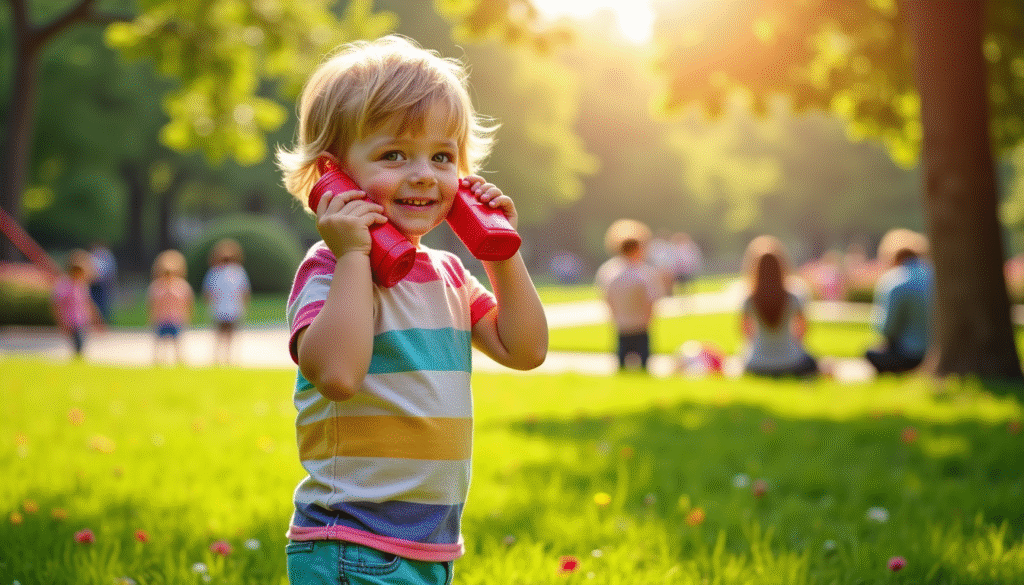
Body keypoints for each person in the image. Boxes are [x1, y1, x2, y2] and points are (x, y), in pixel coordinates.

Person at [275, 35, 548, 585]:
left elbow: (526, 348)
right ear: (335, 175)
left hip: (431, 547)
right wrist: (356, 254)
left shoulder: (446, 274)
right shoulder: (329, 269)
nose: (425, 174)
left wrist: (502, 251)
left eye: (442, 156)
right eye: (394, 154)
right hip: (350, 542)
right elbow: (338, 374)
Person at [740, 235, 818, 378]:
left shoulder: (749, 300)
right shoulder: (793, 298)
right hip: (790, 362)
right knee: (812, 361)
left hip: (756, 363)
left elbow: (745, 332)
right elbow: (803, 330)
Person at [595, 219, 665, 371]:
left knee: (622, 364)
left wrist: (615, 316)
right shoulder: (645, 273)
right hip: (640, 324)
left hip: (622, 324)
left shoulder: (609, 271)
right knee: (644, 364)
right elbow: (651, 300)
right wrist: (649, 319)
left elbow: (607, 298)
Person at [865, 228, 933, 374]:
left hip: (910, 355)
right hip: (934, 352)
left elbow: (887, 330)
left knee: (871, 352)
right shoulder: (933, 275)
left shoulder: (895, 281)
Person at [201, 238, 250, 365]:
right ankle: (225, 358)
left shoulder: (215, 272)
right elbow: (244, 292)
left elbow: (208, 292)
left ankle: (222, 358)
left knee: (222, 335)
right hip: (229, 309)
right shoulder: (237, 272)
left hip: (224, 308)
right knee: (227, 336)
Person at [51, 249, 102, 358]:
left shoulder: (81, 285)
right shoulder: (64, 284)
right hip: (70, 321)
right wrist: (61, 321)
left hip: (82, 321)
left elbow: (88, 304)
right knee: (78, 346)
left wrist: (96, 319)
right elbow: (57, 304)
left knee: (81, 346)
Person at [148, 249, 194, 365]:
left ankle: (178, 360)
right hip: (162, 318)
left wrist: (186, 316)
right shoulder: (157, 287)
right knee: (160, 343)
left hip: (175, 318)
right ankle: (158, 361)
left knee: (176, 342)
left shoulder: (181, 286)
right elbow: (153, 304)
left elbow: (186, 303)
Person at [88, 241, 117, 323]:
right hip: (96, 285)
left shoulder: (101, 256)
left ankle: (102, 322)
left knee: (101, 306)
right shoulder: (104, 255)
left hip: (100, 285)